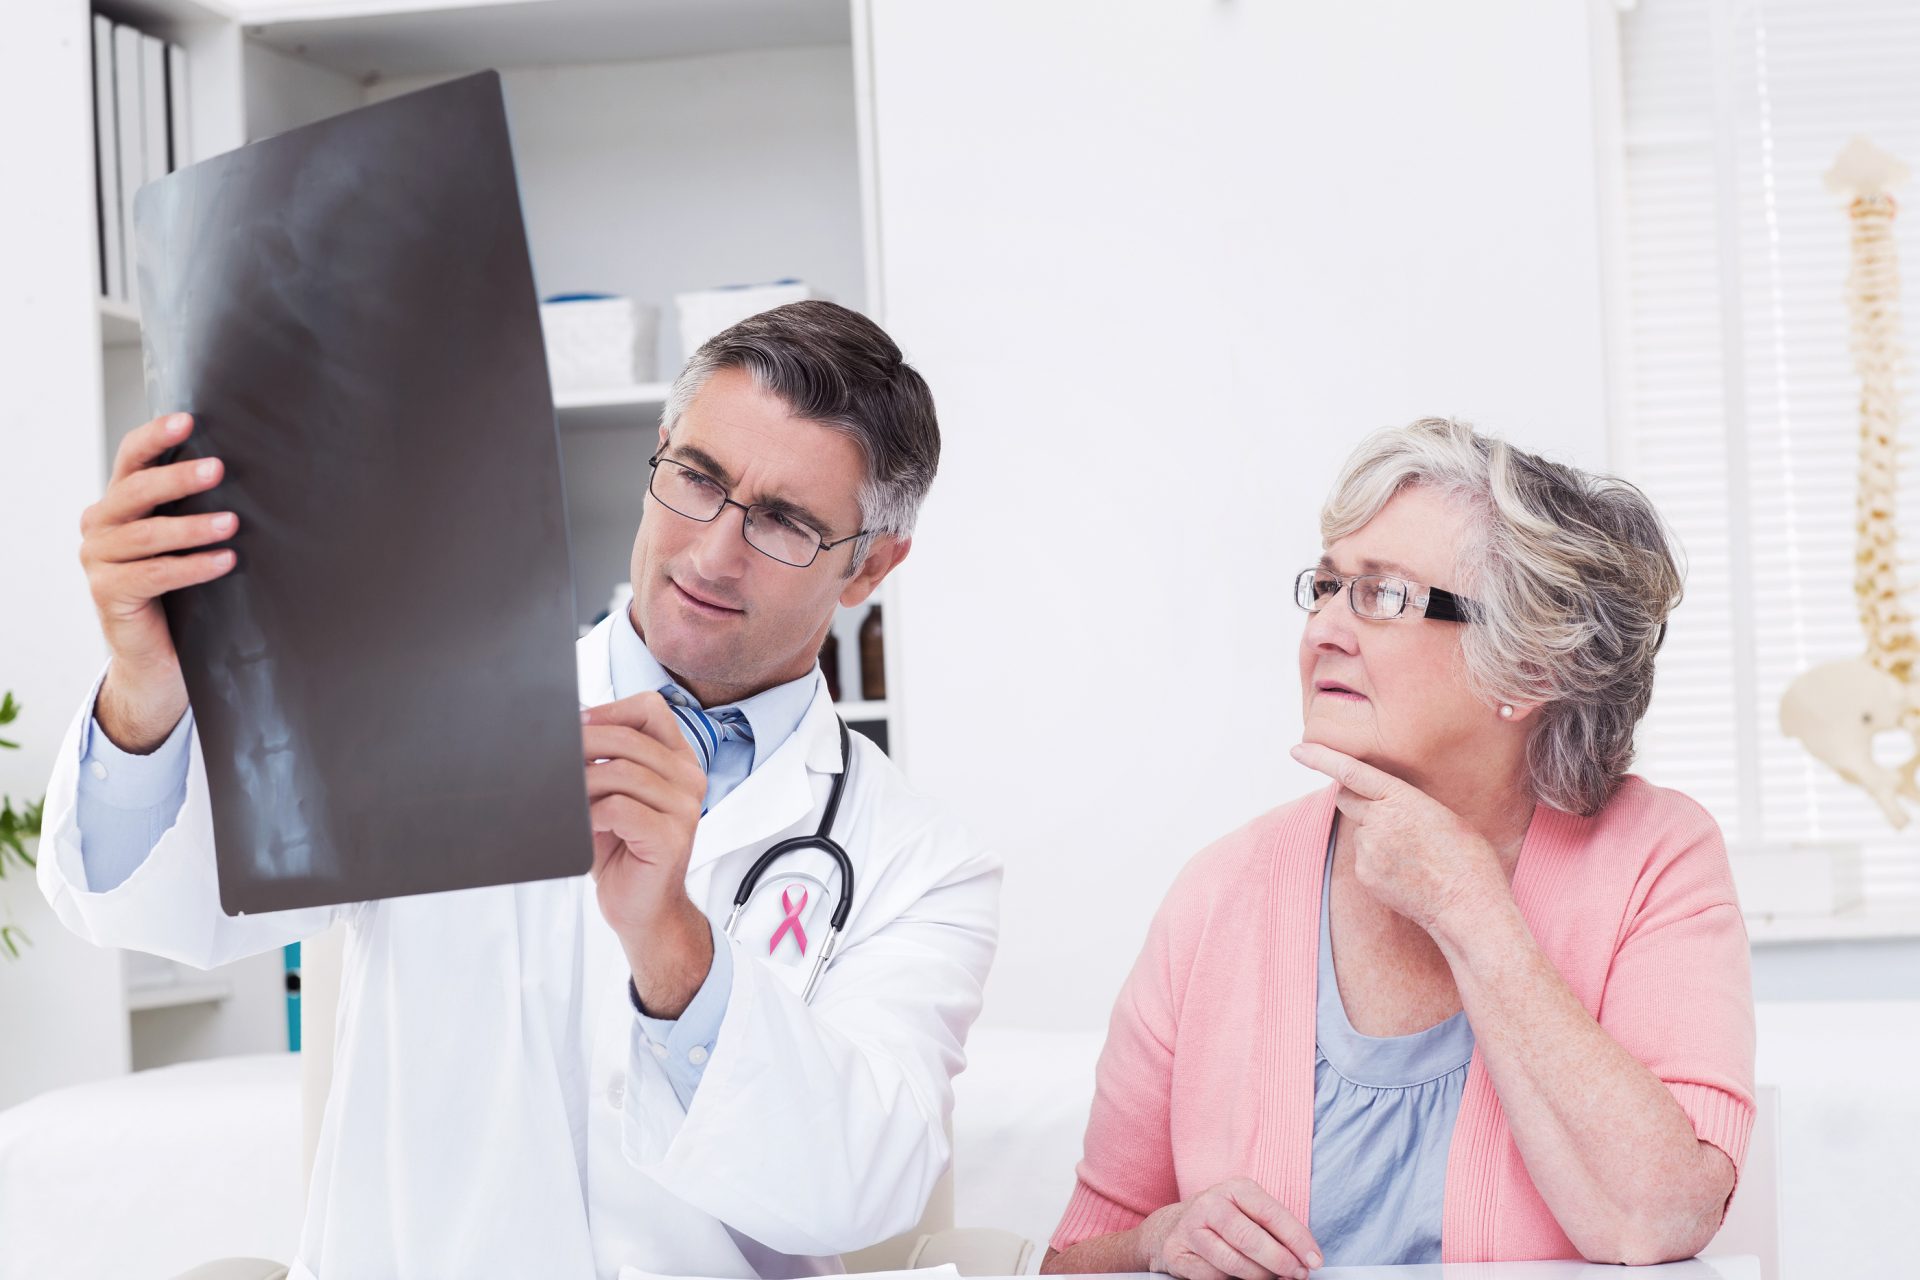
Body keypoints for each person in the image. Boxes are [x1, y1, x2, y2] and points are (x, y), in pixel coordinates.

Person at [41, 301, 1001, 1280]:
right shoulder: (422, 701)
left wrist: (672, 943)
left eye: (786, 521)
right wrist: (146, 682)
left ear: (870, 564)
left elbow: (859, 1183)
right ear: (659, 452)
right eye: (698, 478)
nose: (713, 552)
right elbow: (160, 907)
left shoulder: (920, 863)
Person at [1044, 418, 1755, 1277]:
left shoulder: (1656, 856)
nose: (1325, 632)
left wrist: (1468, 907)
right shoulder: (1220, 890)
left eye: (1384, 596)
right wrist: (1159, 1241)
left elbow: (1662, 1217)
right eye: (1328, 587)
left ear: (1529, 667)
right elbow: (1074, 1258)